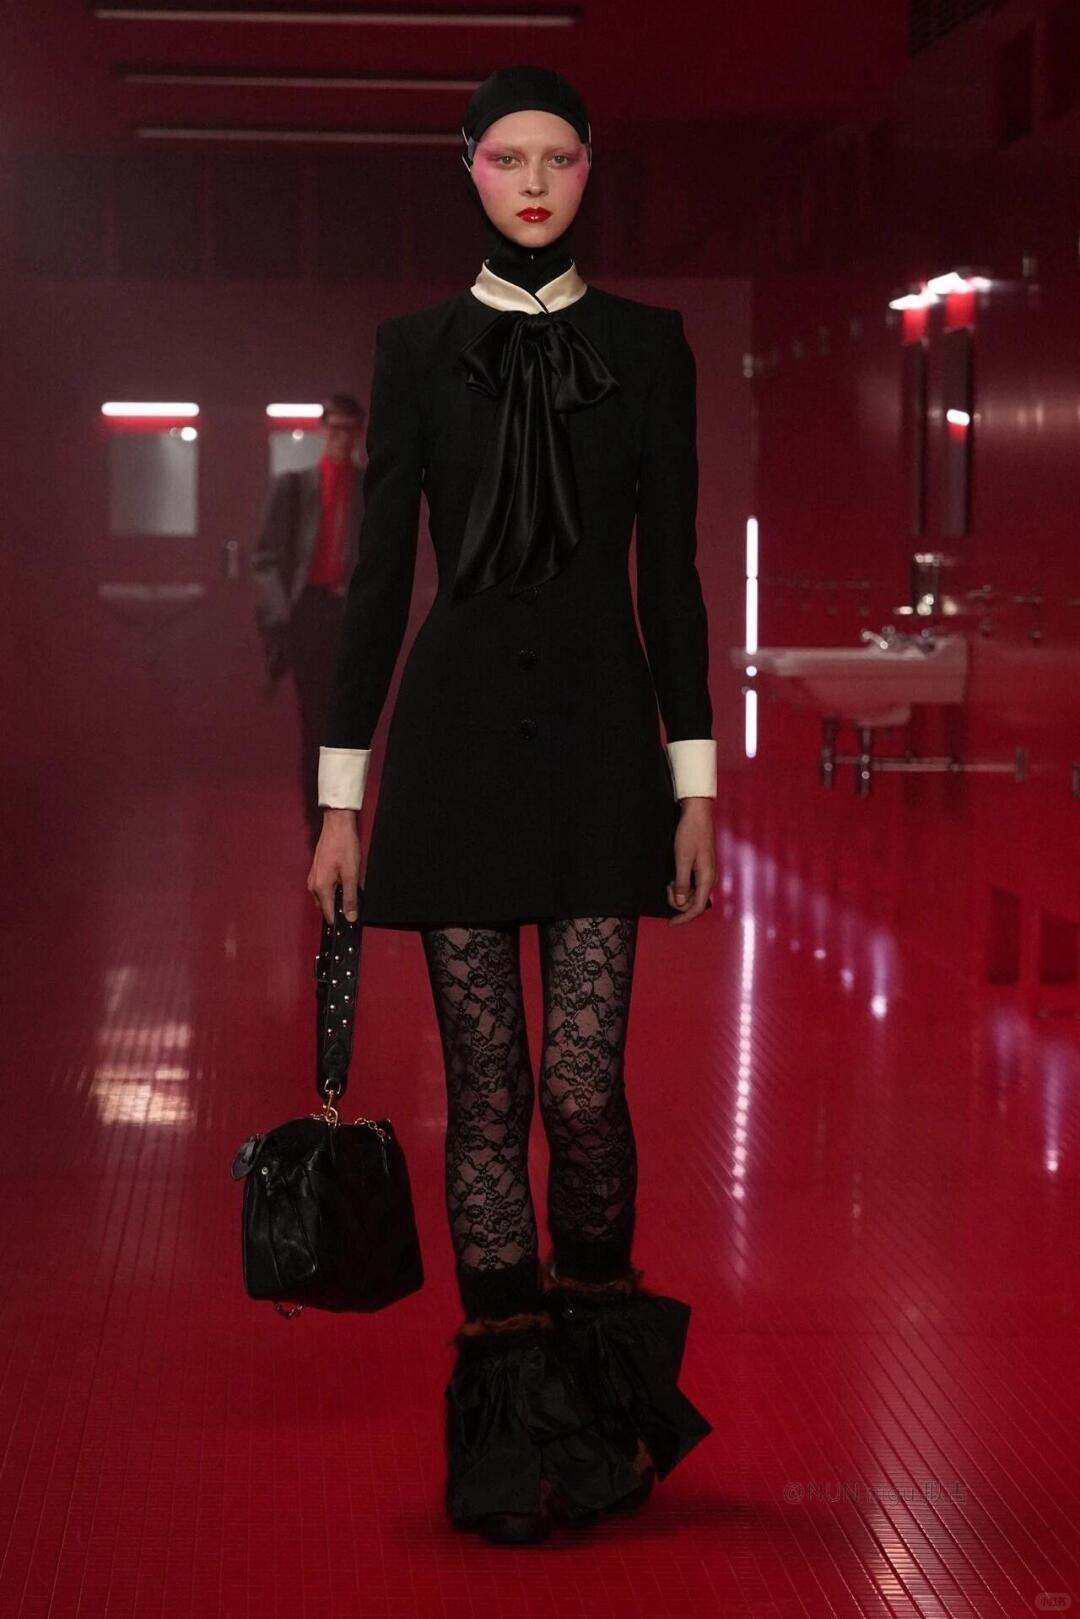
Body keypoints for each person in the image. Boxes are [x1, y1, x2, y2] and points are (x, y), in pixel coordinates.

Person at [308, 65, 717, 1544]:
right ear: (468, 169)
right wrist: (340, 801)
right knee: (487, 1091)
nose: (535, 182)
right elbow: (374, 588)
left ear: (589, 169)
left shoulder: (649, 347)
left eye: (559, 158)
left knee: (584, 1089)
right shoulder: (415, 350)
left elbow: (673, 575)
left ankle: (601, 1395)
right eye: (508, 158)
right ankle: (507, 1436)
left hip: (607, 747)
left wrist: (695, 781)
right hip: (458, 749)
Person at [252, 394, 367, 848]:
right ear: (323, 429)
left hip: (350, 612)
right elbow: (266, 557)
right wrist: (282, 615)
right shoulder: (295, 486)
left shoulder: (368, 488)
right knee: (317, 722)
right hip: (310, 613)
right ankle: (318, 825)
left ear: (359, 432)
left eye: (350, 429)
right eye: (335, 428)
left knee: (349, 723)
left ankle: (341, 820)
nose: (342, 438)